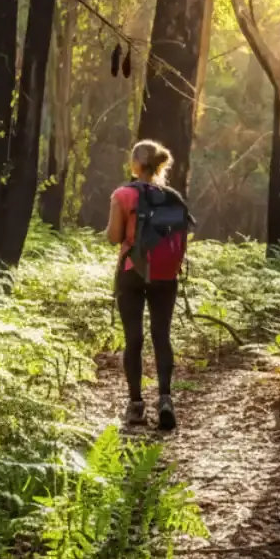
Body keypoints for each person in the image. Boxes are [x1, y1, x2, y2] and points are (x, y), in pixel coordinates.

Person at [106, 139, 189, 431]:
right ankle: (165, 399)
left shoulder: (123, 194)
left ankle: (136, 405)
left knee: (134, 338)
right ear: (159, 165)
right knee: (161, 335)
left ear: (134, 165)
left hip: (131, 272)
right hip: (165, 275)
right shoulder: (174, 198)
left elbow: (114, 237)